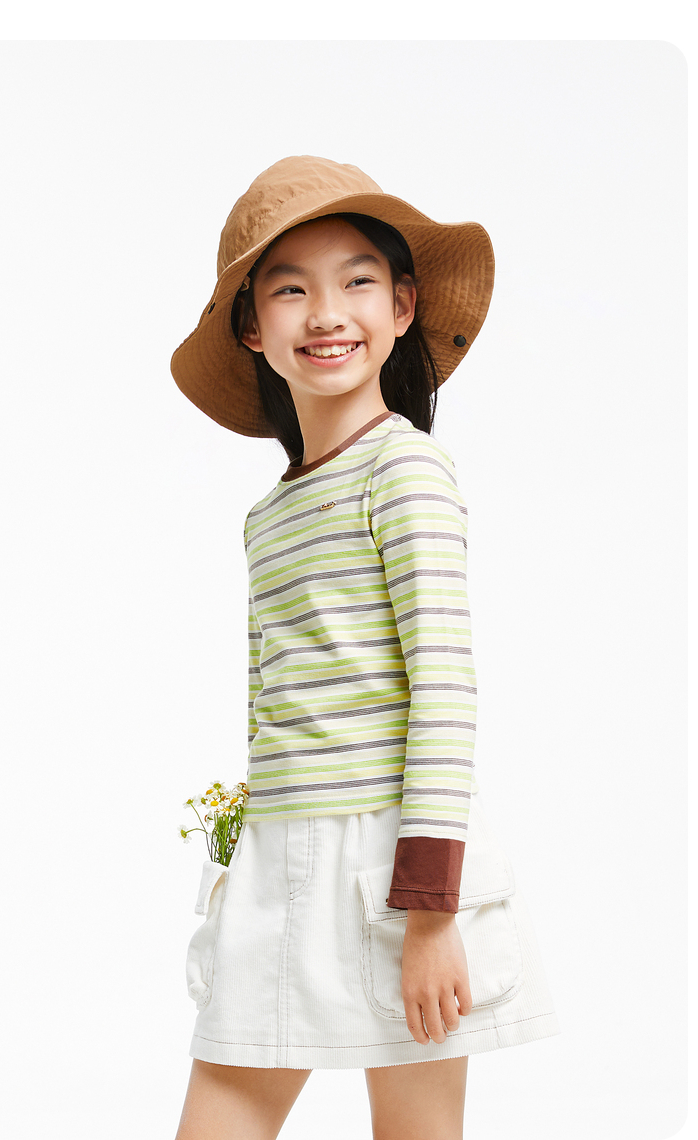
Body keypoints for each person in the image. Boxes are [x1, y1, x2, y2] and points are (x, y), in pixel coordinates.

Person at [170, 155, 560, 1140]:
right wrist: (245, 853)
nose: (326, 313)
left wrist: (430, 914)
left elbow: (445, 689)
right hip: (278, 867)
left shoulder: (406, 470)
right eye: (289, 289)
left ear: (401, 306)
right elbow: (279, 700)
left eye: (356, 280)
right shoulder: (269, 515)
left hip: (393, 867)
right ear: (252, 328)